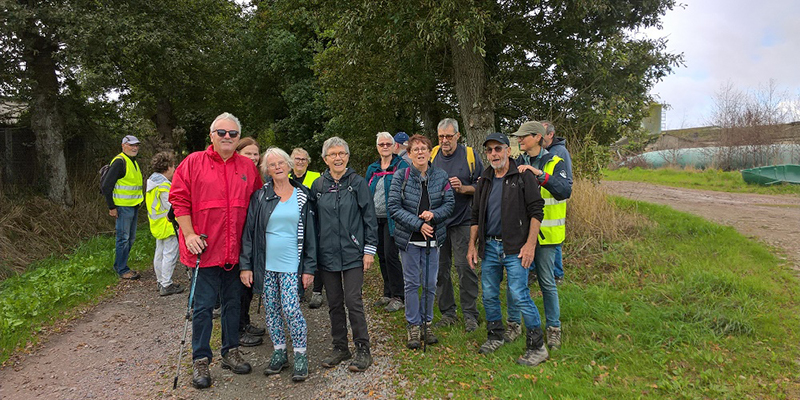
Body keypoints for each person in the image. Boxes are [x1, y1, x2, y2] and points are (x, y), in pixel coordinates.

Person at [169, 112, 262, 389]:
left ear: (238, 138)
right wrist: (188, 234)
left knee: (234, 304)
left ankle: (230, 351)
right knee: (203, 308)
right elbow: (178, 200)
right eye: (221, 132)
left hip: (235, 252)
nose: (227, 137)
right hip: (204, 252)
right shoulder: (192, 162)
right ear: (211, 135)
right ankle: (200, 360)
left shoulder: (247, 166)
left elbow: (258, 203)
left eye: (233, 134)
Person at [466, 132, 549, 367]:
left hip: (515, 248)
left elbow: (536, 212)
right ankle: (495, 335)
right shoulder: (485, 179)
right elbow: (475, 215)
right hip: (489, 247)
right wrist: (472, 245)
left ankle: (537, 346)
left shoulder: (522, 177)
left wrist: (530, 245)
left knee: (519, 294)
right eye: (490, 150)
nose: (494, 154)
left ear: (508, 151)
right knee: (490, 294)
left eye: (498, 149)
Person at [239, 147, 317, 382]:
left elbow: (312, 235)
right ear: (267, 170)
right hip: (266, 265)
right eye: (272, 165)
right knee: (271, 310)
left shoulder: (303, 195)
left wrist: (309, 268)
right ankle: (279, 351)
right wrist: (246, 265)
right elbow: (249, 234)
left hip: (292, 263)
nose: (278, 167)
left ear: (289, 164)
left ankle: (301, 355)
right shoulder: (260, 196)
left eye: (281, 162)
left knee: (291, 309)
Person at [310, 136, 377, 372]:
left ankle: (362, 349)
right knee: (335, 302)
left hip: (353, 254)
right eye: (333, 154)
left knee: (353, 300)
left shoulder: (357, 183)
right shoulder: (318, 185)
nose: (338, 158)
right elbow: (312, 222)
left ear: (348, 157)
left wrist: (369, 249)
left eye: (342, 154)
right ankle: (340, 346)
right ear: (325, 158)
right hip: (327, 255)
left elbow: (370, 218)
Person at [506, 121, 571, 350]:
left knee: (546, 282)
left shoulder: (556, 162)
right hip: (520, 233)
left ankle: (553, 329)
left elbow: (564, 191)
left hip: (547, 235)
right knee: (514, 282)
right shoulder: (515, 162)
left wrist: (540, 175)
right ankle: (514, 325)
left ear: (537, 137)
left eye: (523, 137)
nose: (520, 140)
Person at [388, 134, 454, 349]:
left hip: (433, 240)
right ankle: (413, 326)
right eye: (415, 149)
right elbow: (394, 207)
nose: (420, 152)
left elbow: (449, 204)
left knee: (429, 283)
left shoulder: (441, 176)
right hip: (409, 239)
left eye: (423, 148)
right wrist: (418, 224)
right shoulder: (401, 176)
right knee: (411, 283)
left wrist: (433, 215)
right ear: (409, 153)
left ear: (429, 152)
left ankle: (427, 323)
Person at [430, 118, 483, 333]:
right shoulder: (432, 155)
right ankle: (448, 313)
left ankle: (470, 314)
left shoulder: (470, 156)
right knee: (440, 270)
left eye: (449, 136)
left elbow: (483, 186)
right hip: (438, 222)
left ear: (458, 136)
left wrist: (464, 188)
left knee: (465, 268)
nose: (445, 141)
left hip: (463, 220)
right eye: (441, 136)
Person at [365, 132, 409, 313]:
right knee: (381, 255)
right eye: (381, 144)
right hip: (376, 218)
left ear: (394, 146)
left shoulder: (401, 165)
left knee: (391, 255)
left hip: (394, 219)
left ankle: (399, 296)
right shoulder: (373, 168)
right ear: (377, 147)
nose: (384, 147)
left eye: (387, 144)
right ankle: (388, 291)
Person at [235, 137, 267, 347]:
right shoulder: (236, 173)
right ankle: (237, 329)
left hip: (252, 235)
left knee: (248, 285)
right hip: (236, 235)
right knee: (238, 286)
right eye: (249, 153)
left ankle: (245, 322)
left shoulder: (256, 174)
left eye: (256, 154)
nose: (254, 157)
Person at [101, 135, 144, 280]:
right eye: (131, 145)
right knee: (123, 239)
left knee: (130, 239)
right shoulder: (120, 162)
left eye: (136, 145)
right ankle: (122, 269)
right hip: (123, 207)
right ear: (123, 146)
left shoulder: (132, 161)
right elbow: (106, 186)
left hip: (132, 206)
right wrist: (111, 207)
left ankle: (120, 265)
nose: (134, 147)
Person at [289, 147, 325, 309]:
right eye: (297, 159)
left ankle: (317, 291)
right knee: (295, 256)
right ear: (291, 161)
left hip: (314, 221)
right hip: (292, 225)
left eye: (303, 159)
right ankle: (297, 290)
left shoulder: (316, 177)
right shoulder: (285, 177)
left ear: (308, 162)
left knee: (315, 255)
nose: (300, 162)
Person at [145, 151, 183, 296]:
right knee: (170, 254)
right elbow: (171, 206)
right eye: (173, 166)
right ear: (167, 167)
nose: (174, 170)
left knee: (159, 253)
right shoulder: (164, 186)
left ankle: (160, 280)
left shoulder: (152, 182)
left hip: (157, 224)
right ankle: (166, 284)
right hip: (168, 224)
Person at [541, 121, 573, 284]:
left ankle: (557, 274)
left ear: (550, 134)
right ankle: (538, 271)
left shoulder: (560, 152)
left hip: (553, 205)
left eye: (542, 132)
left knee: (554, 241)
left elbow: (566, 183)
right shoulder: (542, 151)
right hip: (541, 207)